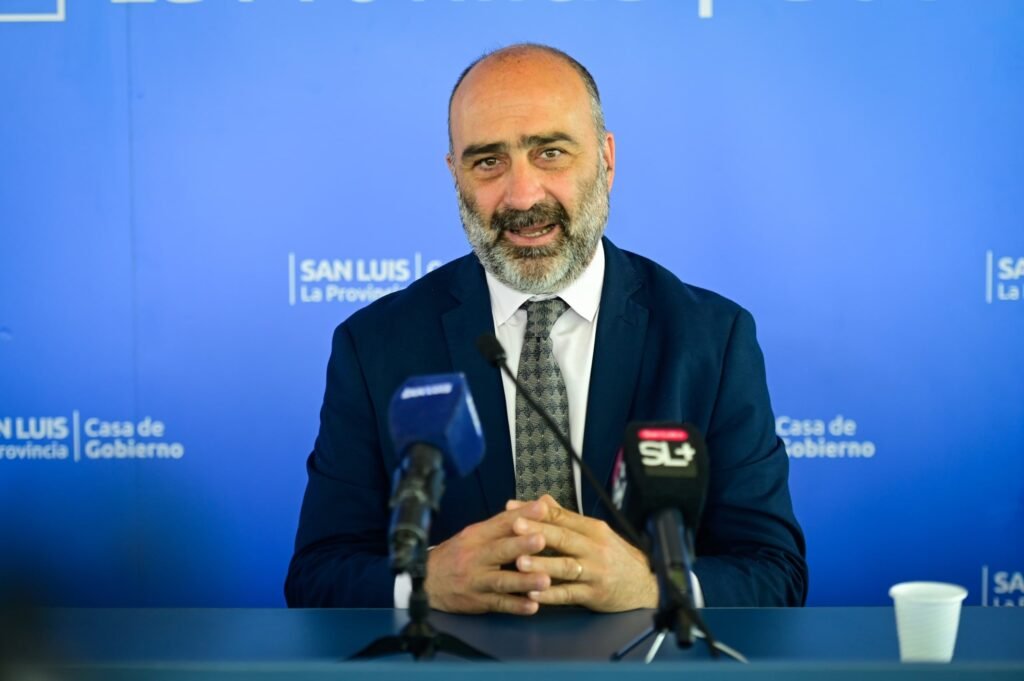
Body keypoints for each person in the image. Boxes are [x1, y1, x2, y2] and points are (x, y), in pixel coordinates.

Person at [285, 44, 807, 613]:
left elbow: (774, 572)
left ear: (606, 159)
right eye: (488, 162)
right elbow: (316, 575)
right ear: (455, 174)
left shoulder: (712, 338)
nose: (523, 196)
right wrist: (425, 580)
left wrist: (653, 586)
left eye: (551, 153)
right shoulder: (375, 345)